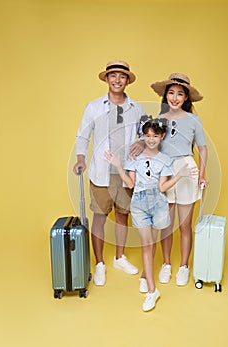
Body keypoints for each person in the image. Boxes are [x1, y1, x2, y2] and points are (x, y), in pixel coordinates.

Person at [104, 116, 198, 311]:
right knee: (146, 244)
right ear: (142, 136)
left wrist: (180, 175)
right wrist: (118, 166)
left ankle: (146, 278)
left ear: (162, 136)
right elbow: (130, 184)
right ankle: (152, 291)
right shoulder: (134, 158)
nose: (151, 139)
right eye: (147, 136)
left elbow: (163, 187)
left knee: (151, 243)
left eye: (155, 136)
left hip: (158, 204)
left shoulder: (165, 160)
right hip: (139, 205)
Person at [73, 60, 146, 286]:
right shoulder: (94, 107)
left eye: (121, 76)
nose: (117, 80)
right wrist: (81, 159)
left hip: (125, 172)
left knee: (123, 216)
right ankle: (99, 264)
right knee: (100, 217)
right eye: (112, 76)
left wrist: (142, 143)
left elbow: (147, 134)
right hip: (101, 172)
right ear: (106, 79)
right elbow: (82, 136)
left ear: (127, 81)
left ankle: (120, 257)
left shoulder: (136, 109)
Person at [150, 72, 209, 286]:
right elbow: (152, 146)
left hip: (186, 169)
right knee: (166, 223)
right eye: (171, 93)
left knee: (185, 225)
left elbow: (202, 149)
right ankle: (166, 263)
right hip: (165, 171)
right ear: (165, 96)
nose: (175, 98)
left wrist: (201, 175)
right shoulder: (159, 120)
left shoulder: (194, 120)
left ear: (186, 98)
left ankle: (184, 266)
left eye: (180, 94)